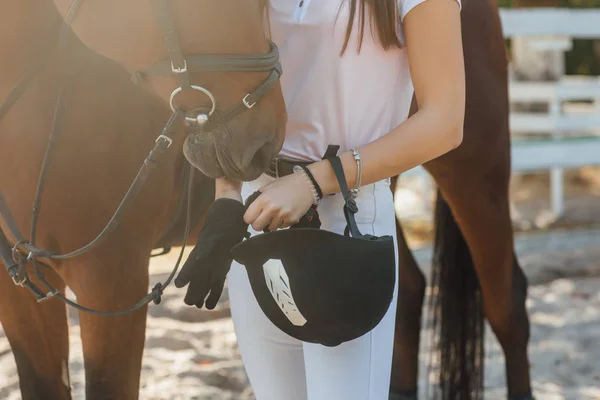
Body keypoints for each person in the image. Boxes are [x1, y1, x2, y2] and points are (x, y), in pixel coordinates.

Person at [177, 0, 464, 399]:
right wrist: (226, 193)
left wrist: (312, 182)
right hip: (258, 211)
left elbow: (445, 122)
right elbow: (232, 91)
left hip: (348, 223)